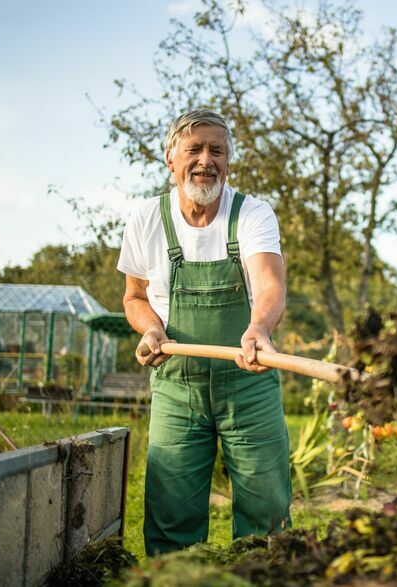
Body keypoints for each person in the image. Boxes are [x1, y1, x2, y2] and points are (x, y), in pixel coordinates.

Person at [117, 109, 291, 556]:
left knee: (266, 515)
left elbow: (270, 284)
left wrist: (258, 327)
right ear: (170, 158)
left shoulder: (251, 214)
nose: (205, 160)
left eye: (217, 150)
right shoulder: (145, 219)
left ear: (229, 160)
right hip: (178, 386)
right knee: (171, 515)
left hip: (248, 380)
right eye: (194, 149)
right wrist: (151, 328)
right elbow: (134, 297)